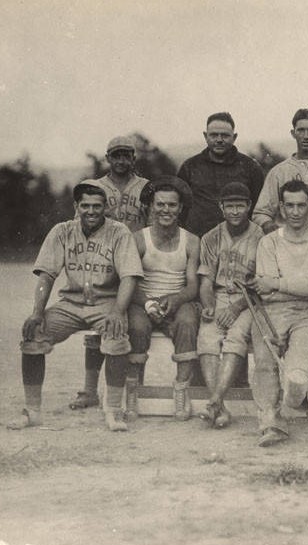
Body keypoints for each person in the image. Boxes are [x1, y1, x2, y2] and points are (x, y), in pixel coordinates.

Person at [12, 180, 143, 431]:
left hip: (105, 302)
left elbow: (129, 276)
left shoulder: (119, 232)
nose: (91, 211)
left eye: (97, 206)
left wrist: (118, 311)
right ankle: (32, 411)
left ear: (106, 207)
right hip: (71, 303)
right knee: (32, 334)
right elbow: (47, 275)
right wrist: (37, 313)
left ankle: (113, 411)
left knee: (116, 335)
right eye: (85, 206)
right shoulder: (62, 231)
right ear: (76, 206)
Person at [248, 180, 308, 447]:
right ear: (281, 208)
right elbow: (264, 293)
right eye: (290, 206)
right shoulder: (268, 243)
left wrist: (278, 283)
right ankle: (271, 423)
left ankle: (295, 392)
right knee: (265, 359)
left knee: (301, 357)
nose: (296, 212)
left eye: (301, 205)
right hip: (271, 311)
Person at [70, 135, 149, 411]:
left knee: (131, 325)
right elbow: (78, 226)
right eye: (116, 155)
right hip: (101, 263)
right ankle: (90, 390)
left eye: (126, 155)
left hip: (134, 262)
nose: (121, 160)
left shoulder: (146, 188)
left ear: (133, 158)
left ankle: (132, 390)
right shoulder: (95, 187)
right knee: (95, 326)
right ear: (107, 158)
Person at [125, 176, 200, 421]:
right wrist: (148, 303)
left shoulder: (191, 241)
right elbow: (129, 282)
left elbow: (192, 286)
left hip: (176, 300)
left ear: (180, 208)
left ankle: (181, 390)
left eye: (171, 205)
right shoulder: (138, 239)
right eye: (160, 204)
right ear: (150, 206)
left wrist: (176, 300)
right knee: (136, 326)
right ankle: (133, 390)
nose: (165, 210)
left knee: (188, 321)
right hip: (143, 300)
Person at [196, 182, 264, 429]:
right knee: (207, 338)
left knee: (235, 337)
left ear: (249, 206)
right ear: (221, 207)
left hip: (250, 301)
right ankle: (219, 407)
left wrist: (235, 308)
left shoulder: (261, 237)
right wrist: (209, 305)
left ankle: (214, 400)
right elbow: (205, 282)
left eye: (240, 205)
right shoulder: (211, 237)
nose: (235, 211)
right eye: (230, 206)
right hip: (219, 296)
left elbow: (262, 287)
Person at [177, 112, 265, 238]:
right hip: (197, 241)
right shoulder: (190, 167)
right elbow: (179, 207)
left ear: (234, 137)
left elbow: (258, 209)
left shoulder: (250, 168)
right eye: (213, 135)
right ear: (205, 136)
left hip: (239, 243)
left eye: (225, 135)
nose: (219, 140)